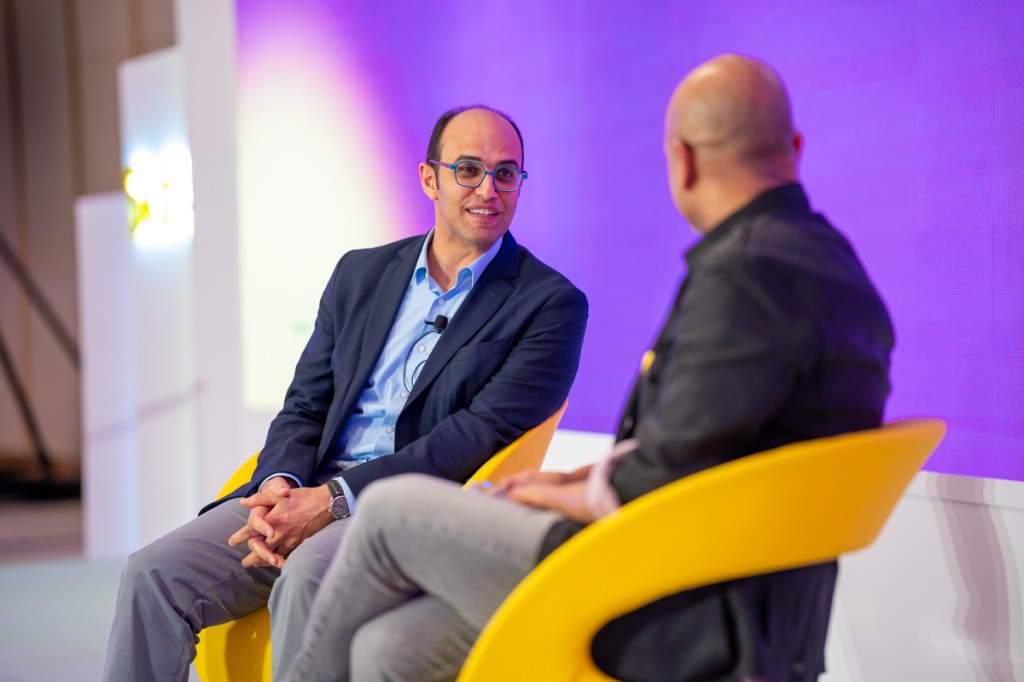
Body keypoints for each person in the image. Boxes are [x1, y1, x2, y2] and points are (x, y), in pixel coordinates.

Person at [279, 54, 894, 682]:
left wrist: (561, 494)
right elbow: (709, 446)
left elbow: (668, 473)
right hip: (745, 589)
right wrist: (568, 484)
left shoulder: (748, 274)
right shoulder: (828, 263)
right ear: (793, 146)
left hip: (677, 596)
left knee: (387, 512)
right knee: (392, 647)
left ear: (681, 161)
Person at [102, 105, 589, 682]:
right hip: (302, 488)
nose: (488, 188)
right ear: (430, 178)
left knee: (307, 578)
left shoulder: (550, 303)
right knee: (150, 574)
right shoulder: (361, 274)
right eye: (468, 169)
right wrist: (278, 486)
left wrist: (334, 498)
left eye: (506, 173)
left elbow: (473, 438)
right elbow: (306, 403)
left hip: (405, 505)